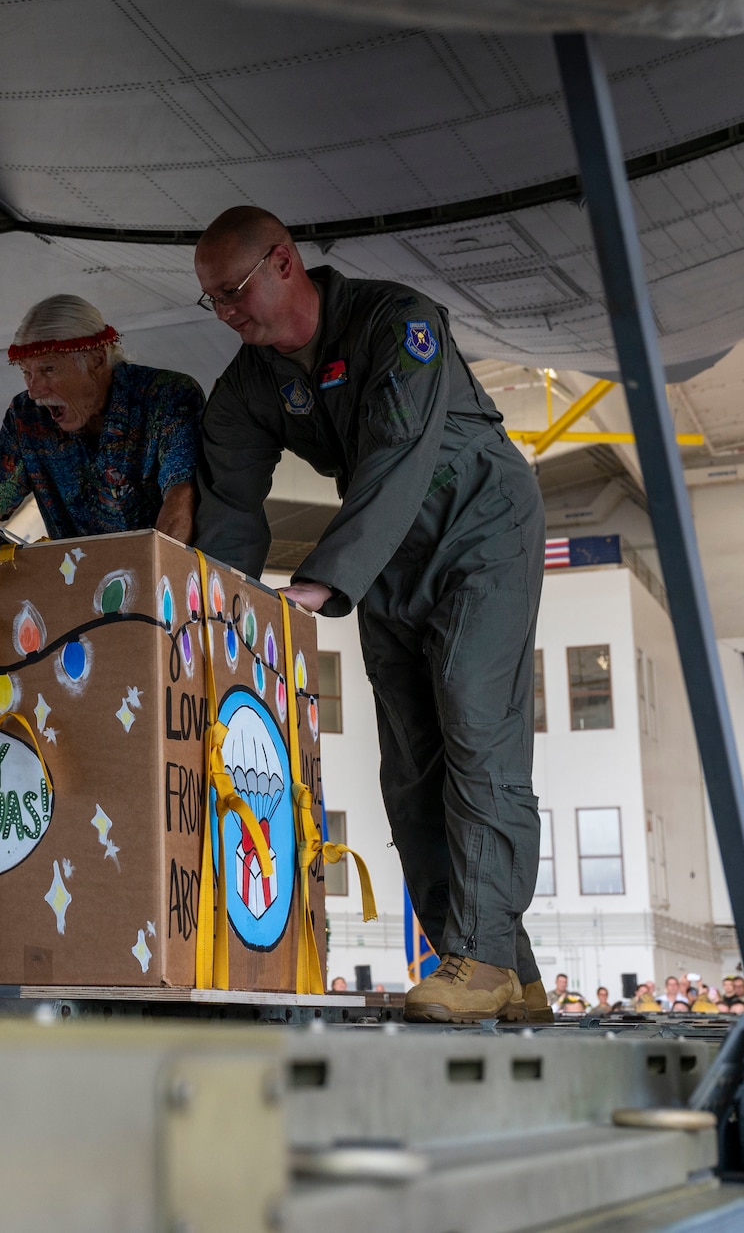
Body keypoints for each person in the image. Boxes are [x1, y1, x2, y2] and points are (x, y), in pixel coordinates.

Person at [191, 206, 547, 1025]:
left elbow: (399, 455)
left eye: (235, 291)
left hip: (478, 524)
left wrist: (318, 584)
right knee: (409, 770)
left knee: (474, 726)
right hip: (388, 552)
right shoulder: (250, 380)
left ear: (285, 261)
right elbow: (230, 503)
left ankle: (483, 954)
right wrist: (221, 614)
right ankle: (510, 973)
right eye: (211, 301)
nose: (227, 313)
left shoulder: (399, 322)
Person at [0, 294, 203, 540]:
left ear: (97, 360)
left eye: (49, 369)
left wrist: (152, 573)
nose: (34, 390)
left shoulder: (167, 396)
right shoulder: (26, 416)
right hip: (75, 574)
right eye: (27, 372)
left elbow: (182, 496)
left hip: (161, 572)